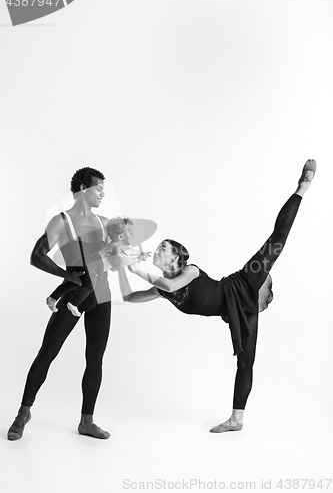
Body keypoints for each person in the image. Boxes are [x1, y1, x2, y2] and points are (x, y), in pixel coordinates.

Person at [117, 160, 317, 433]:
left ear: (174, 257)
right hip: (237, 311)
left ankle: (302, 187)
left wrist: (133, 266)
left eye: (162, 248)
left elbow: (171, 286)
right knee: (245, 361)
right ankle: (236, 420)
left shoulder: (189, 271)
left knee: (277, 239)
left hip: (242, 283)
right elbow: (130, 298)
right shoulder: (162, 290)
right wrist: (117, 268)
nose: (156, 251)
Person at [7, 167, 113, 440]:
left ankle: (86, 421)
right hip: (75, 293)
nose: (103, 192)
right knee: (48, 351)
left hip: (101, 296)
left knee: (95, 359)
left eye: (104, 187)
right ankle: (23, 413)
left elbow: (108, 258)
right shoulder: (62, 221)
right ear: (81, 189)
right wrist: (67, 275)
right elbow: (37, 255)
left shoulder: (104, 220)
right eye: (98, 187)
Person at [46, 217, 150, 317]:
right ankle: (74, 303)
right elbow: (120, 260)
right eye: (131, 234)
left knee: (75, 283)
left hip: (84, 262)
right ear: (121, 237)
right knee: (90, 285)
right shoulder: (115, 247)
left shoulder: (118, 247)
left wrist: (141, 252)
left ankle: (52, 298)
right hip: (91, 263)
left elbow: (130, 251)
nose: (133, 236)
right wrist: (137, 260)